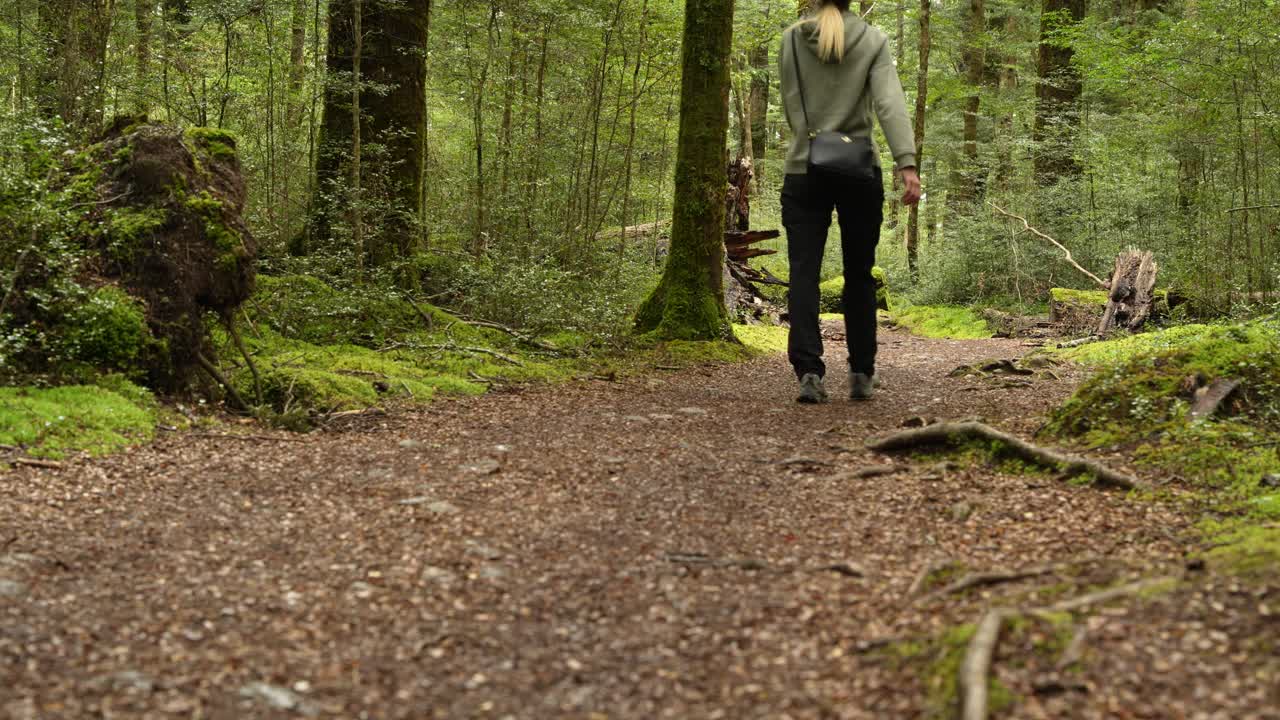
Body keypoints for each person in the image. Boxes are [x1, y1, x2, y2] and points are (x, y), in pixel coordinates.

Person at [779, 0, 922, 403]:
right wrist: (906, 164)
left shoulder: (791, 40)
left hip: (804, 167)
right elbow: (889, 103)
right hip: (859, 167)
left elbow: (792, 102)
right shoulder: (873, 39)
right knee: (859, 273)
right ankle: (861, 372)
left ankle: (809, 373)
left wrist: (813, 139)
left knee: (803, 271)